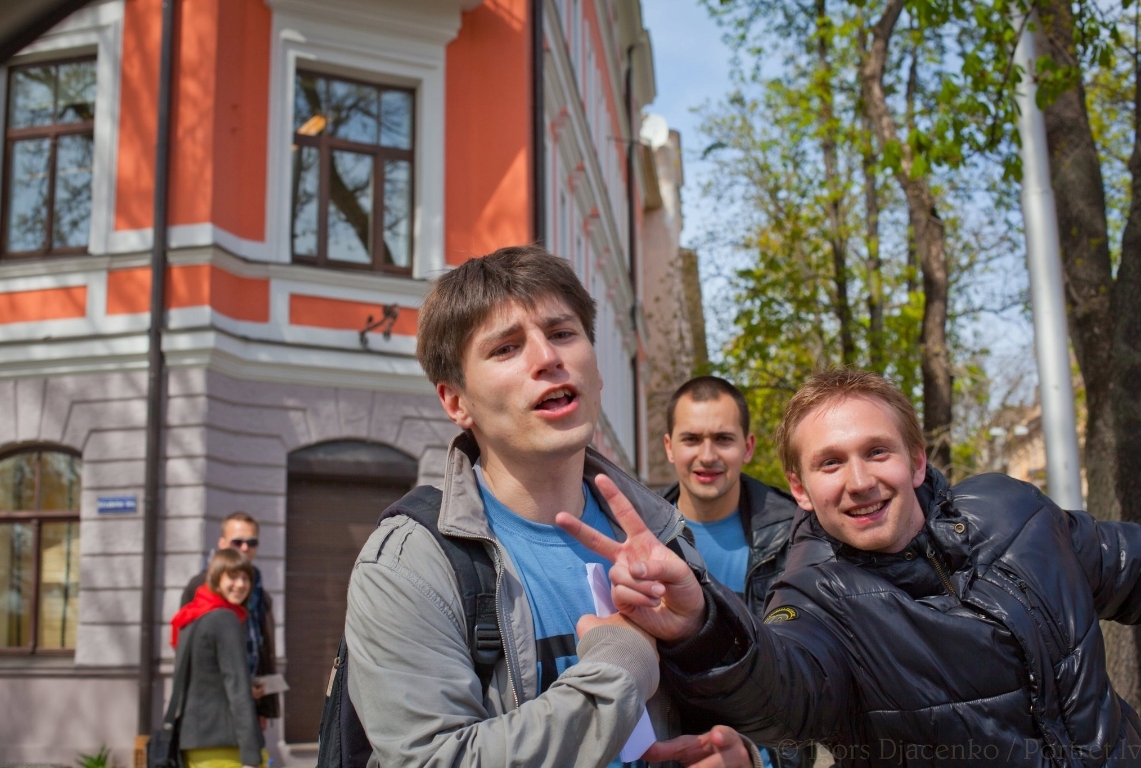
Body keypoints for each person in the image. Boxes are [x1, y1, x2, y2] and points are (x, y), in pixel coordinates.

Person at [559, 368, 1141, 767]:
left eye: (876, 451)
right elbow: (782, 688)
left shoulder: (1016, 511)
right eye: (831, 463)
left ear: (916, 461)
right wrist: (701, 626)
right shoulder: (813, 597)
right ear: (802, 489)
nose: (859, 481)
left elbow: (1124, 563)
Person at [344, 245, 742, 768]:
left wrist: (742, 750)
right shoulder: (407, 566)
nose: (548, 358)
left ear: (596, 371)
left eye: (562, 333)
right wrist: (618, 669)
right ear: (456, 401)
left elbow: (753, 711)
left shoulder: (665, 535)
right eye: (506, 348)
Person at [662, 376, 804, 768]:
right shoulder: (637, 536)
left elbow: (806, 677)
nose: (707, 455)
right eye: (692, 439)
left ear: (748, 447)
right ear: (670, 447)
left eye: (723, 439)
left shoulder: (797, 537)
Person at [181, 513, 278, 728]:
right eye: (237, 542)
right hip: (212, 706)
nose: (245, 548)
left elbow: (261, 650)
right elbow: (192, 654)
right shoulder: (200, 588)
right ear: (222, 543)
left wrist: (264, 707)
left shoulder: (259, 592)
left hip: (250, 702)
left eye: (251, 542)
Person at [170, 548, 265, 768]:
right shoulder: (225, 619)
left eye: (245, 578)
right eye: (232, 576)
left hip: (193, 743)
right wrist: (251, 756)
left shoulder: (192, 617)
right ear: (216, 579)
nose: (240, 584)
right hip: (225, 744)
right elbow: (237, 689)